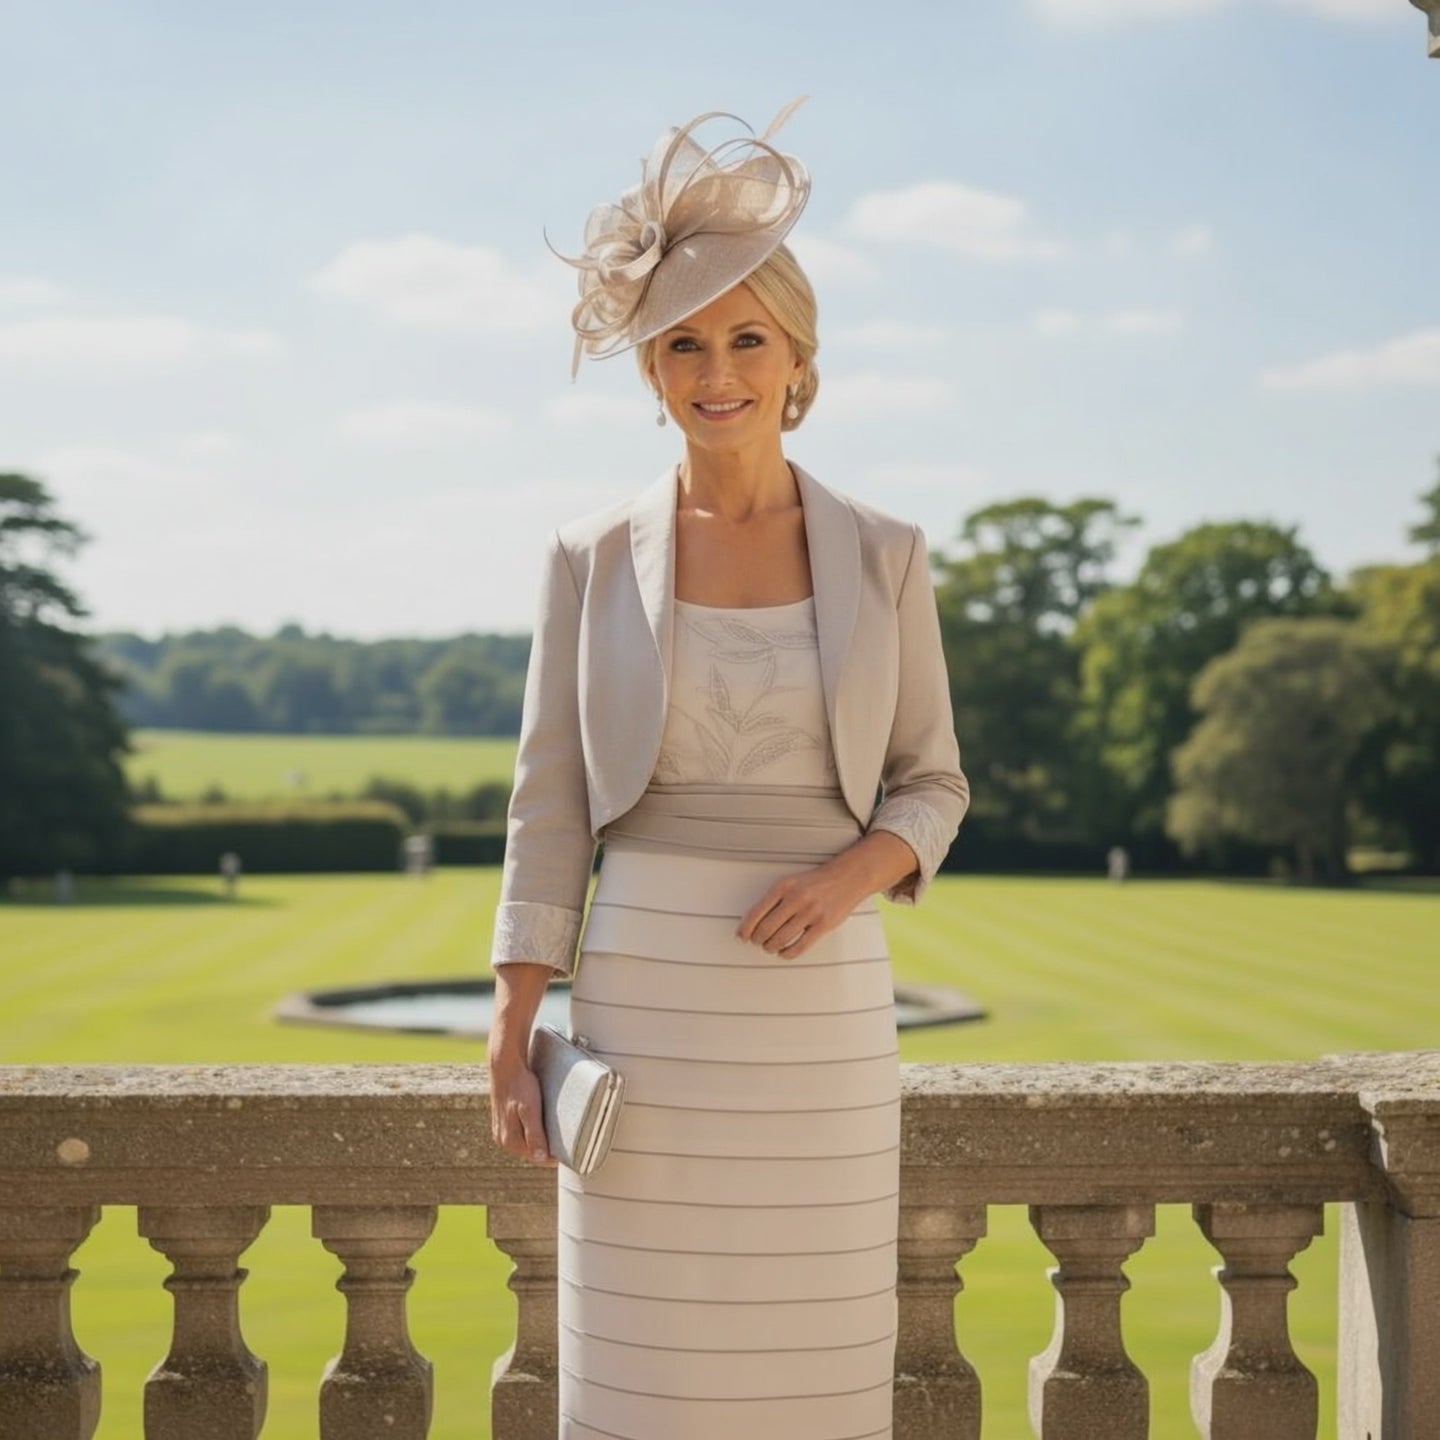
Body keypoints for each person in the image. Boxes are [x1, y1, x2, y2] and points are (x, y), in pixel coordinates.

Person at [485, 100, 970, 1440]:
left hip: (818, 1008)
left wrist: (857, 870)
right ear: (647, 365)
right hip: (649, 996)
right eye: (684, 341)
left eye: (747, 337)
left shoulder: (886, 552)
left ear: (797, 355)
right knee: (647, 1350)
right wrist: (512, 1025)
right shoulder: (586, 558)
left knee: (813, 1345)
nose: (718, 369)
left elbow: (934, 780)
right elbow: (550, 804)